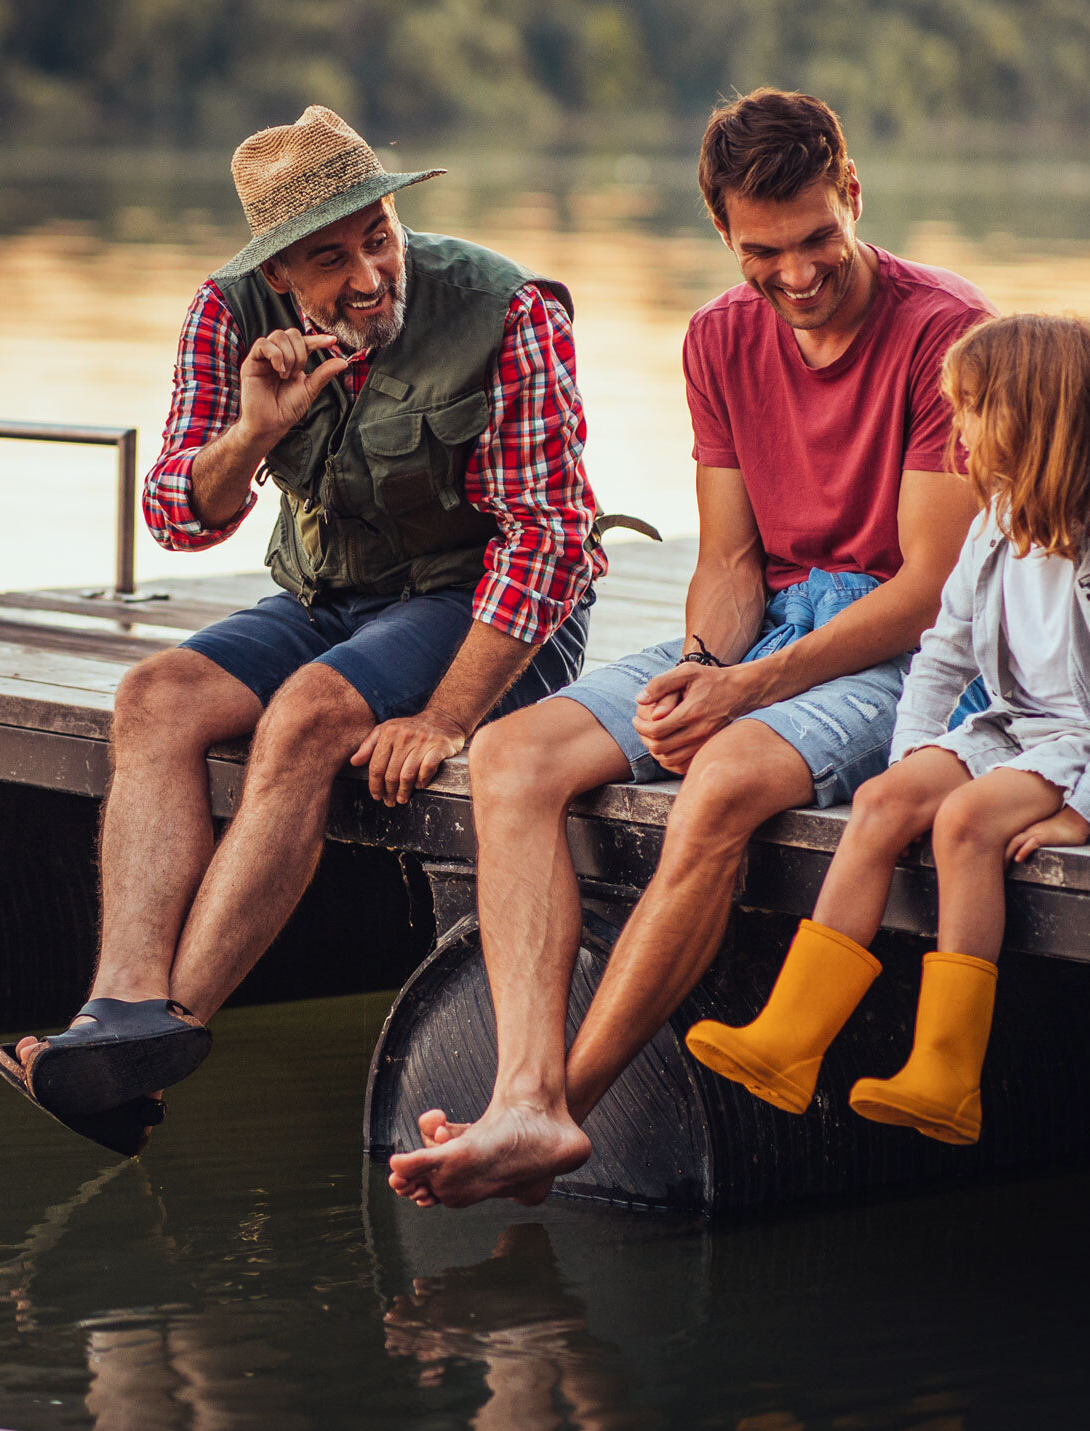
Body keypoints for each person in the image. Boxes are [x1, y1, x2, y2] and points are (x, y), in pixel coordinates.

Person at [391, 88, 995, 1208]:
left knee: (720, 781)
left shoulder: (947, 333)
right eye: (766, 251)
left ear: (853, 196)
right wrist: (706, 668)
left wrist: (748, 691)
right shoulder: (718, 337)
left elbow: (929, 592)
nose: (799, 273)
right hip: (771, 626)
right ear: (724, 231)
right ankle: (522, 1090)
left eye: (819, 236)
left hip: (918, 655)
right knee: (512, 757)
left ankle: (558, 1105)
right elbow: (729, 557)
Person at [0, 106, 601, 1155]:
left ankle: (163, 1034)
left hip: (488, 609)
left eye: (380, 236)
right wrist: (255, 429)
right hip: (328, 599)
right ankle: (118, 1015)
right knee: (155, 699)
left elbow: (547, 543)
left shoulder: (507, 309)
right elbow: (179, 512)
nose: (368, 276)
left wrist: (449, 715)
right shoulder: (224, 315)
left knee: (309, 713)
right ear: (278, 274)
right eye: (330, 259)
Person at [686, 313, 1090, 1144]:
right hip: (1014, 730)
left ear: (1034, 418)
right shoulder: (996, 524)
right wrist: (913, 758)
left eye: (971, 407)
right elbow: (943, 652)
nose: (958, 427)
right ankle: (790, 1039)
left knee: (964, 824)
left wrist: (1089, 810)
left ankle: (946, 1072)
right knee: (879, 807)